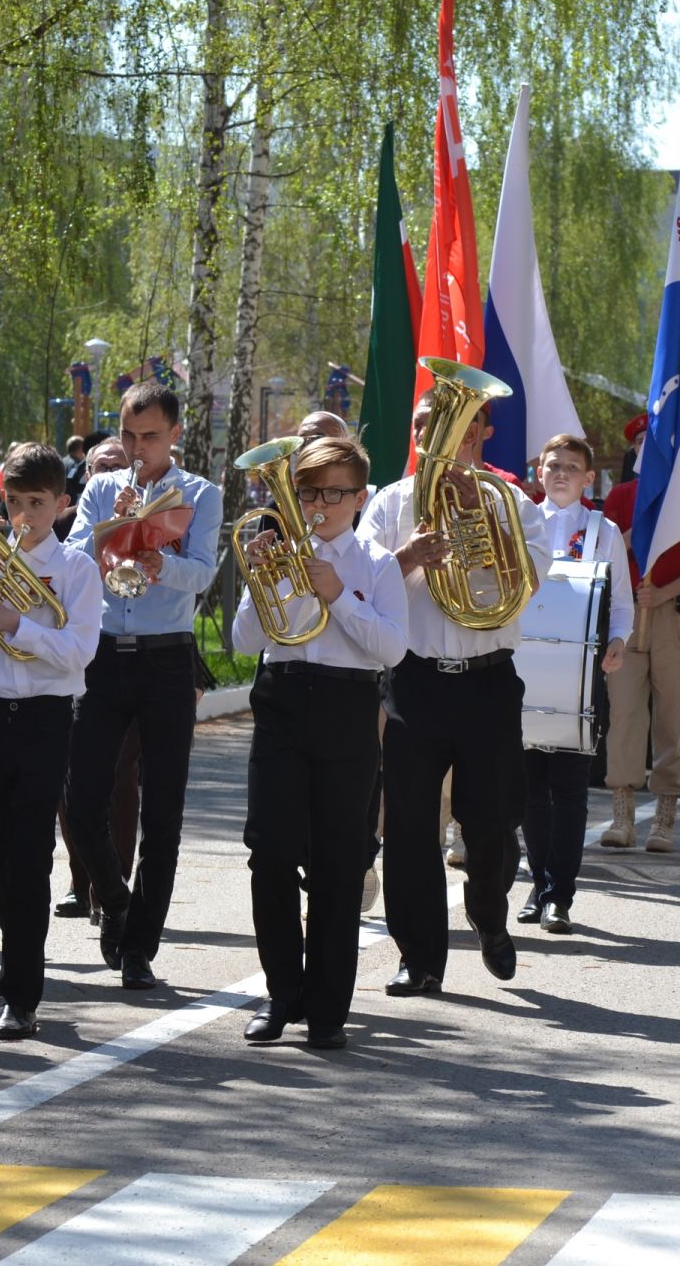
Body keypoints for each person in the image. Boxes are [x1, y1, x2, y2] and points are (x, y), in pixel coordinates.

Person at [358, 399, 550, 997]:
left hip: (489, 682)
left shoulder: (510, 503)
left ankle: (489, 916)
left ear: (483, 435)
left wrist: (485, 528)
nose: (436, 438)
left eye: (455, 427)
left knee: (492, 822)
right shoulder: (391, 501)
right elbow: (359, 581)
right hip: (415, 681)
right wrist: (409, 556)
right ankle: (419, 958)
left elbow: (531, 583)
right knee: (411, 827)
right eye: (423, 426)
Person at [234, 436, 406, 1049]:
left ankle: (328, 1007)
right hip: (281, 697)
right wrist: (260, 579)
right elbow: (240, 638)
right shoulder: (278, 556)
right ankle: (283, 993)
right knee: (271, 853)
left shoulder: (377, 565)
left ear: (360, 498)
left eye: (335, 492)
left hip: (346, 707)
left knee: (339, 862)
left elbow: (391, 648)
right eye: (309, 492)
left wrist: (338, 595)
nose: (319, 504)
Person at [64, 380, 222, 989]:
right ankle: (115, 895)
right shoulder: (103, 487)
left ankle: (139, 948)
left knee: (163, 814)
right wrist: (113, 531)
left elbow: (204, 573)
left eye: (149, 436)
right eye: (128, 435)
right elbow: (76, 557)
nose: (137, 448)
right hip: (103, 657)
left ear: (175, 434)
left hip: (165, 661)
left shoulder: (200, 495)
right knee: (81, 806)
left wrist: (161, 561)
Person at [0, 443, 103, 1040]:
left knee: (30, 856)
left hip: (46, 717)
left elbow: (79, 653)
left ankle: (19, 995)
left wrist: (17, 624)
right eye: (14, 503)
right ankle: (26, 946)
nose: (24, 515)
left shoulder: (77, 570)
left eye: (37, 503)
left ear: (62, 504)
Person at [520, 433, 630, 933]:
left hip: (581, 678)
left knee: (568, 789)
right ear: (538, 473)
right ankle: (538, 881)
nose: (560, 473)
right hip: (525, 674)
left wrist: (619, 640)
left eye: (571, 467)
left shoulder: (604, 531)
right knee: (528, 790)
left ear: (589, 478)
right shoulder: (522, 525)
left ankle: (558, 894)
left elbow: (622, 601)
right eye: (551, 466)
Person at [600, 417, 680, 851]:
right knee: (625, 715)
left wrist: (663, 591)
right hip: (627, 616)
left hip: (673, 612)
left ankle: (664, 821)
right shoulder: (620, 497)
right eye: (639, 443)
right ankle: (622, 817)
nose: (645, 451)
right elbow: (606, 554)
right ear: (633, 453)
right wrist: (645, 524)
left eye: (655, 445)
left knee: (672, 718)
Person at [57, 436, 137, 916]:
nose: (107, 473)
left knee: (122, 773)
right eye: (99, 467)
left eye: (118, 465)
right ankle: (78, 875)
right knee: (75, 773)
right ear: (88, 475)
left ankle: (115, 883)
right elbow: (70, 561)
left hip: (134, 652)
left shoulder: (153, 512)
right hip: (81, 653)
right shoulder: (68, 520)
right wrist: (108, 524)